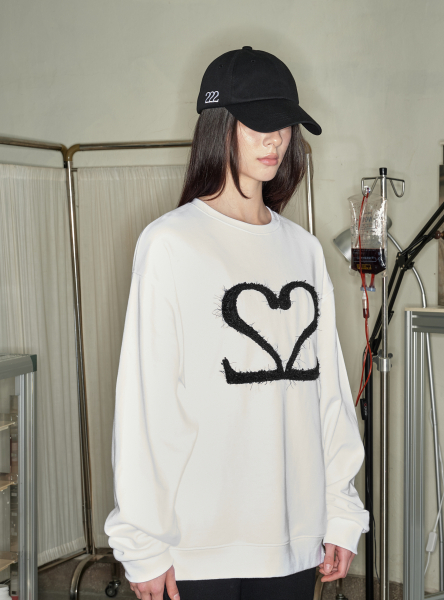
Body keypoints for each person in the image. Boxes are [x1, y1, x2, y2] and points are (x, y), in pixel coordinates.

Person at [104, 46, 370, 600]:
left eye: (285, 125)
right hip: (198, 545)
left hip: (294, 538)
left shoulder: (303, 250)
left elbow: (327, 395)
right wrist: (142, 542)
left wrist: (342, 509)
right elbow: (148, 406)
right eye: (259, 124)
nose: (276, 140)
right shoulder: (171, 243)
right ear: (218, 125)